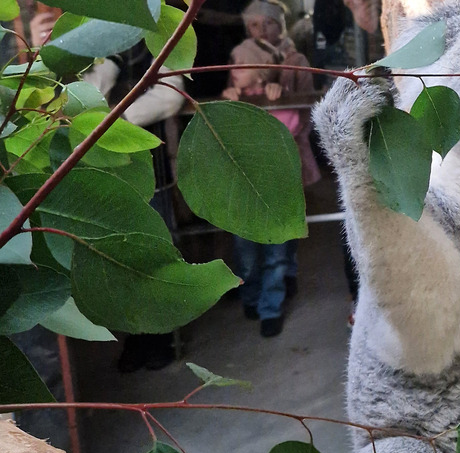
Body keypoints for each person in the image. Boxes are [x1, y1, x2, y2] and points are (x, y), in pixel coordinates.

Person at [29, 4, 187, 372]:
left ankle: (161, 335)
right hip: (93, 159)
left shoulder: (155, 24)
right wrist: (48, 52)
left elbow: (171, 92)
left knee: (154, 249)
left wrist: (115, 121)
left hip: (141, 157)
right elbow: (68, 92)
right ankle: (138, 334)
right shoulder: (89, 27)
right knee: (116, 248)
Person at [224, 1, 320, 337]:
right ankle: (253, 293)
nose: (262, 31)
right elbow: (227, 121)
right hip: (245, 169)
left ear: (281, 25)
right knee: (247, 244)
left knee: (280, 241)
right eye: (253, 26)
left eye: (268, 24)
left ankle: (271, 303)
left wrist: (281, 98)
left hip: (283, 162)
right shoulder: (239, 72)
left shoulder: (297, 61)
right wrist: (232, 97)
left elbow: (306, 112)